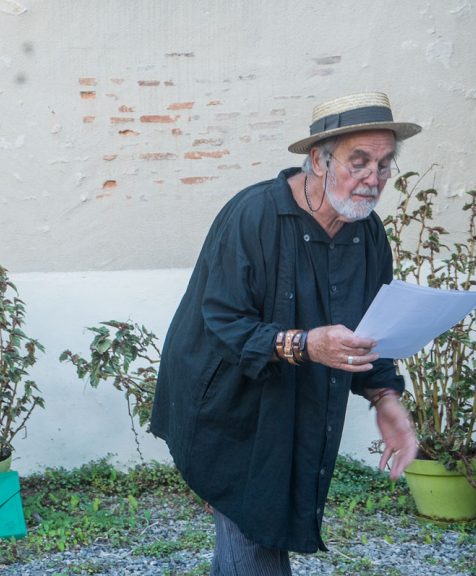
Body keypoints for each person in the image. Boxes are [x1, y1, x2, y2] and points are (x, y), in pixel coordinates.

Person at [149, 92, 420, 575]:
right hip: (227, 404)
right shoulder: (253, 215)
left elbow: (370, 328)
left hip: (299, 406)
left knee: (257, 536)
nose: (372, 179)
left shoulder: (368, 232)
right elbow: (225, 323)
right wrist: (308, 344)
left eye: (383, 164)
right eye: (358, 162)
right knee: (253, 539)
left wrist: (386, 399)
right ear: (317, 159)